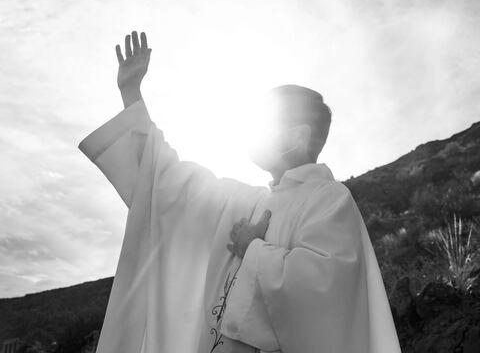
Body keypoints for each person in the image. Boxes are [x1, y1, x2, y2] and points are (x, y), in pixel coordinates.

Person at [78, 31, 400, 353]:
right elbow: (168, 183)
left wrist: (253, 249)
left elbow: (325, 289)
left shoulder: (329, 200)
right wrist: (132, 94)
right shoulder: (248, 203)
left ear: (298, 136)